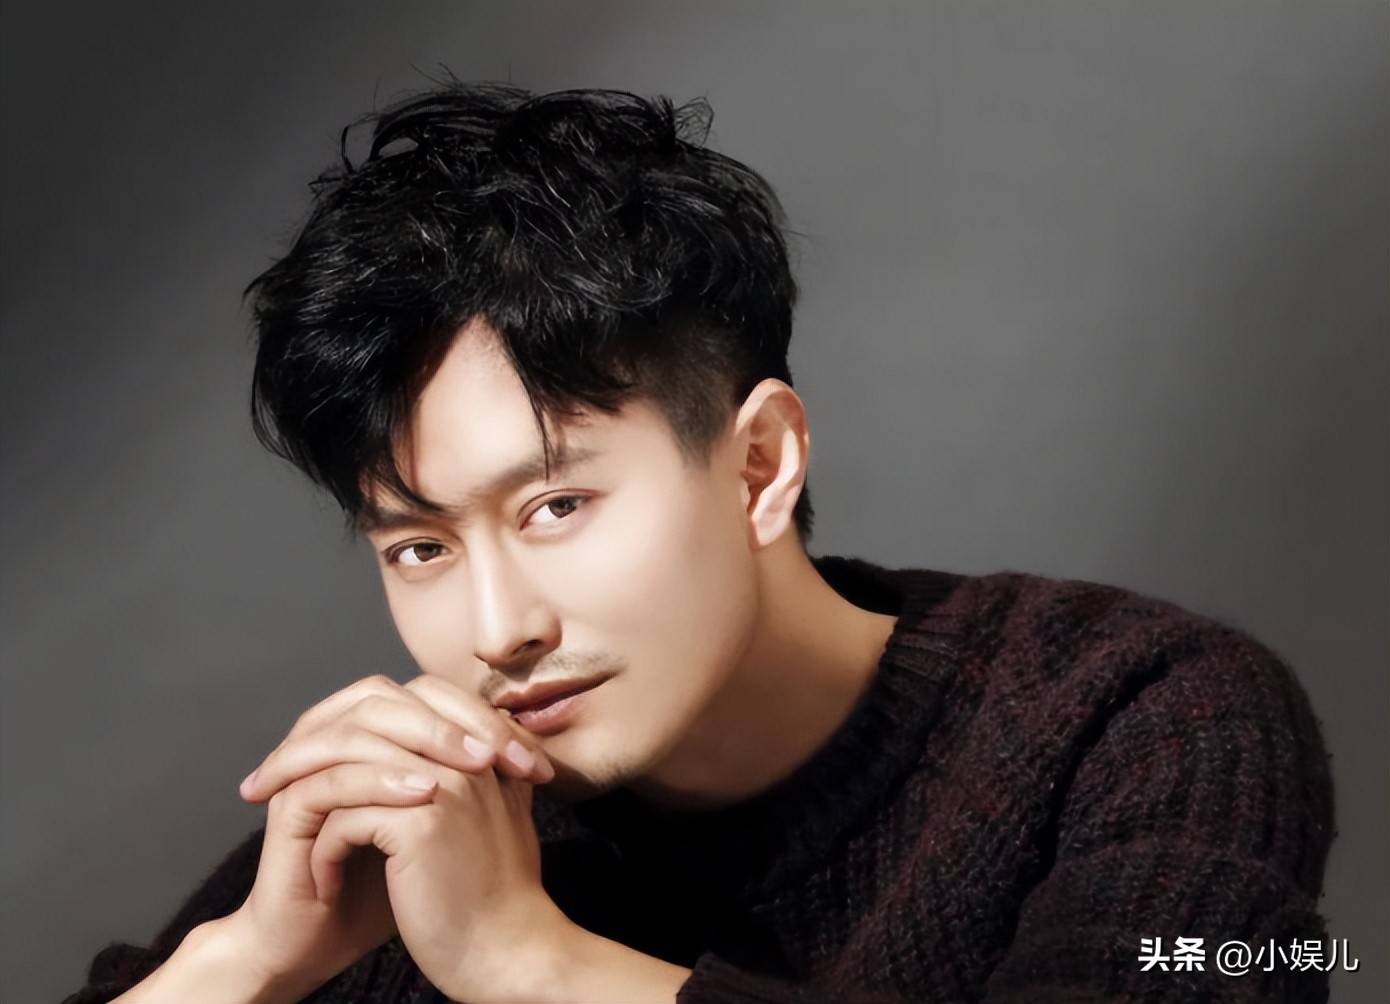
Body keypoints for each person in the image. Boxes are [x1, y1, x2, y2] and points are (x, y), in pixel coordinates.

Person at [64, 81, 1335, 1004]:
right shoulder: (430, 813)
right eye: (418, 548)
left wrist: (528, 960)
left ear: (759, 463)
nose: (498, 630)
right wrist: (245, 961)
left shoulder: (1139, 715)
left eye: (554, 506)